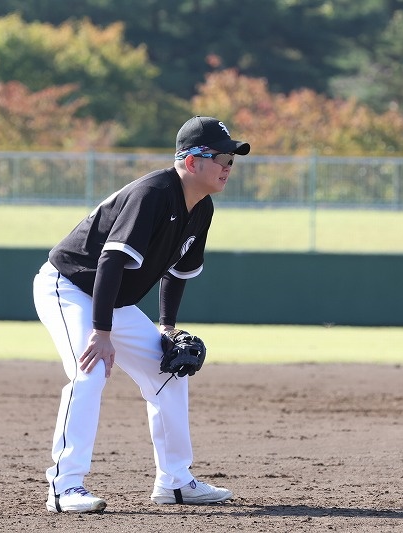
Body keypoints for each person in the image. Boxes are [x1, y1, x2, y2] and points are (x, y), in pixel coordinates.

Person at [33, 116, 250, 513]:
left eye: (231, 159)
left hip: (111, 299)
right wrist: (101, 333)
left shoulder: (201, 208)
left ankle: (175, 482)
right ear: (191, 161)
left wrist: (167, 327)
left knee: (169, 371)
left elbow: (178, 272)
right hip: (69, 287)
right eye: (221, 157)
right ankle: (64, 487)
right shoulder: (152, 193)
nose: (228, 166)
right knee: (89, 371)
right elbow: (110, 262)